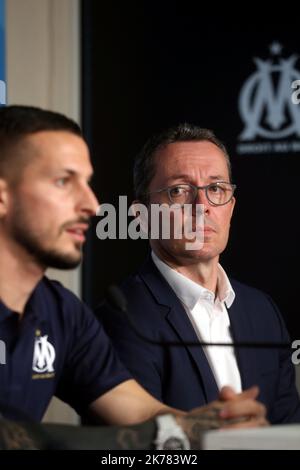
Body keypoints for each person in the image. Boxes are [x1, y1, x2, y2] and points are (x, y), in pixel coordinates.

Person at [0, 107, 266, 450]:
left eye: (87, 182)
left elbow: (140, 412)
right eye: (64, 181)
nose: (92, 205)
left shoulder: (60, 312)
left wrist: (211, 425)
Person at [97, 123, 300, 425]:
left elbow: (288, 430)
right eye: (179, 191)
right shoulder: (122, 320)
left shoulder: (263, 311)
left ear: (230, 208)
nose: (202, 206)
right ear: (141, 216)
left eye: (216, 189)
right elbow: (131, 446)